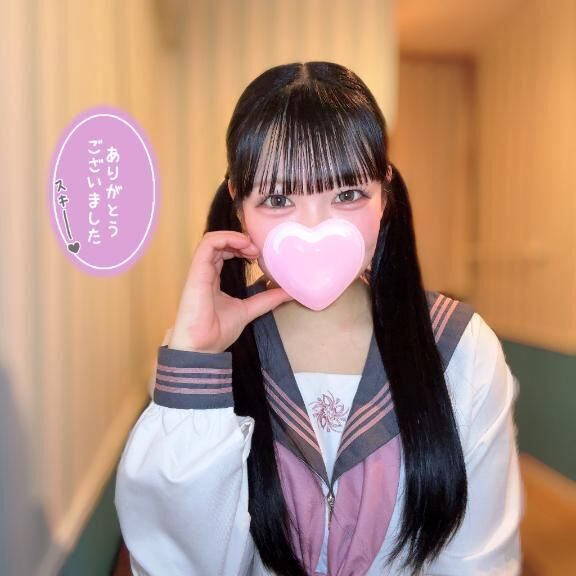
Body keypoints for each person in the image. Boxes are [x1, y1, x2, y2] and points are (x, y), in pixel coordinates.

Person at [114, 61, 525, 576]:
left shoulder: (460, 348)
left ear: (384, 194)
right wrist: (198, 361)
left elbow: (480, 561)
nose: (315, 229)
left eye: (347, 195)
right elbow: (178, 564)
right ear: (238, 205)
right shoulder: (200, 356)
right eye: (278, 199)